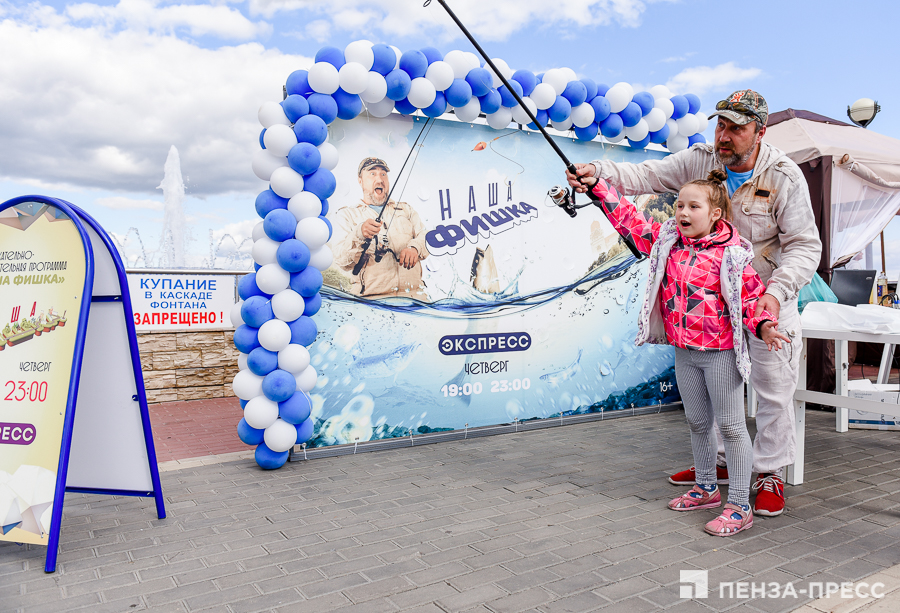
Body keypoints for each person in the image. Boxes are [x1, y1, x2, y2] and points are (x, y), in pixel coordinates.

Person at [567, 90, 822, 517]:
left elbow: (804, 246)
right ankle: (716, 467)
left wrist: (775, 296)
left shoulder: (785, 177)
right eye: (719, 124)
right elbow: (645, 175)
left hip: (764, 295)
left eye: (736, 128)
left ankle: (770, 472)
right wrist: (598, 172)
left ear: (759, 132)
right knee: (711, 396)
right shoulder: (699, 159)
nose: (723, 136)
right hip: (710, 309)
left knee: (774, 390)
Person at [586, 170, 789, 535]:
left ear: (715, 214)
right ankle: (708, 487)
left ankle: (740, 505)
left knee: (730, 426)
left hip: (720, 354)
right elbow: (629, 220)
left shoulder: (733, 255)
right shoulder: (668, 242)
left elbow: (751, 299)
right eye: (679, 204)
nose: (682, 211)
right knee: (697, 422)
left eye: (693, 205)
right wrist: (597, 186)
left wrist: (764, 325)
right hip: (685, 352)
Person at [332, 157, 429, 299]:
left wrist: (415, 248)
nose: (379, 179)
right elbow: (342, 261)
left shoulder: (406, 210)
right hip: (371, 302)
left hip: (415, 299)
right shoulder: (346, 215)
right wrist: (359, 234)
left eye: (383, 174)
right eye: (372, 174)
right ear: (360, 181)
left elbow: (426, 237)